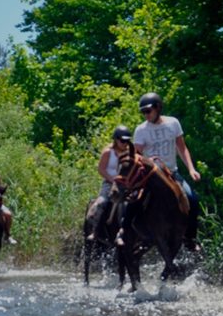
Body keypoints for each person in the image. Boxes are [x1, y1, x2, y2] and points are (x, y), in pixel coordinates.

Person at [115, 92, 201, 251]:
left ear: (158, 108)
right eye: (143, 112)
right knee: (134, 200)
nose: (146, 115)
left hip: (172, 173)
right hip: (151, 176)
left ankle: (190, 238)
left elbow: (182, 147)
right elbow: (137, 154)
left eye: (148, 111)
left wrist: (191, 169)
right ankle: (123, 230)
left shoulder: (173, 123)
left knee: (192, 199)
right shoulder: (141, 129)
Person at [86, 125, 132, 241]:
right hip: (109, 183)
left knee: (126, 204)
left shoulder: (130, 154)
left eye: (127, 141)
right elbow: (101, 169)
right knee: (102, 203)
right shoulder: (108, 152)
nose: (125, 143)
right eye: (122, 140)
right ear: (116, 140)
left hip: (126, 185)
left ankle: (124, 232)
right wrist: (113, 180)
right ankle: (95, 230)